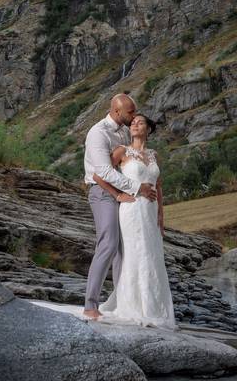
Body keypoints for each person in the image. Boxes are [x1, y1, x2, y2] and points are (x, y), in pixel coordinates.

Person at [92, 113, 176, 329]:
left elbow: (157, 186)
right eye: (133, 123)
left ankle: (154, 307)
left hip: (150, 211)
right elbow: (99, 175)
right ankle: (135, 307)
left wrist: (161, 215)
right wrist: (117, 195)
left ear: (149, 128)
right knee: (135, 253)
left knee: (153, 255)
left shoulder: (153, 155)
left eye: (140, 122)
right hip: (131, 209)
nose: (135, 125)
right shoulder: (121, 151)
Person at [82, 94, 158, 321]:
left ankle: (123, 303)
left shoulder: (125, 130)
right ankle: (90, 305)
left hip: (124, 195)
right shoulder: (98, 133)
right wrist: (136, 188)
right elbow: (103, 172)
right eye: (130, 112)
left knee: (125, 250)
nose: (134, 116)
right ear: (116, 112)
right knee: (109, 244)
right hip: (102, 192)